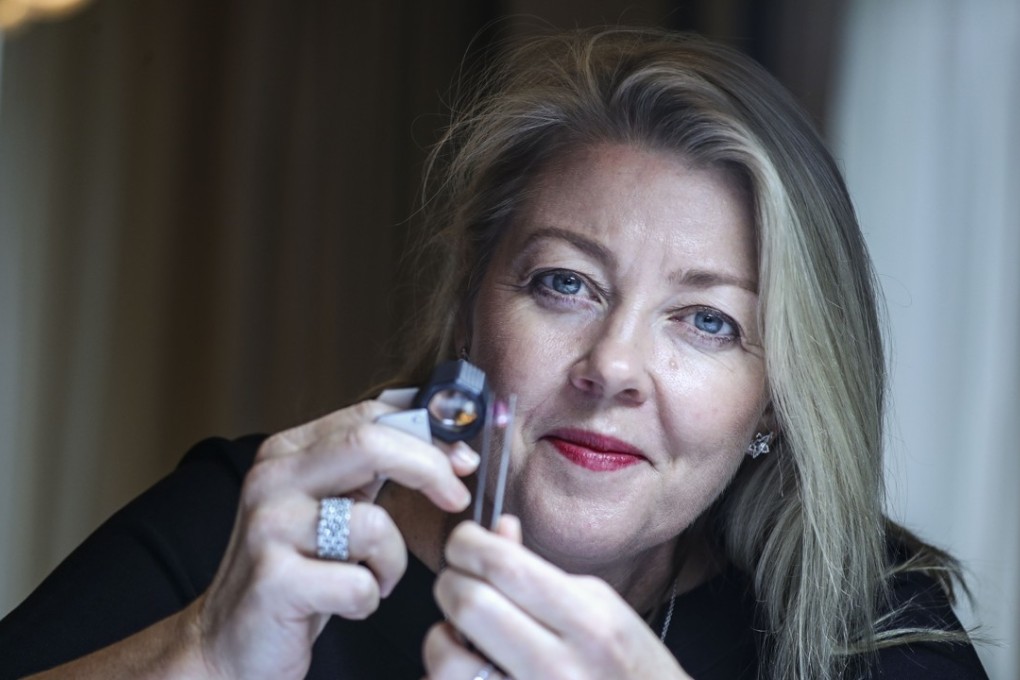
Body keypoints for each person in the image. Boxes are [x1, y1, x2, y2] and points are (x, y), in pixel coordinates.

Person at [0, 27, 988, 680]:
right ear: (470, 312)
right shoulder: (251, 527)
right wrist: (206, 651)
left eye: (708, 322)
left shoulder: (876, 625)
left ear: (774, 398)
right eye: (566, 282)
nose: (613, 365)